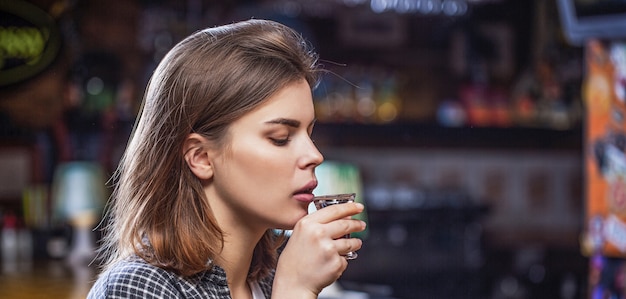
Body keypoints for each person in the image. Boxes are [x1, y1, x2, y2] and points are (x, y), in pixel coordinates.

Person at [87, 19, 366, 299]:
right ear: (201, 157)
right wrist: (294, 291)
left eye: (310, 133)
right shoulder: (138, 289)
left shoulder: (270, 282)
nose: (314, 156)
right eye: (280, 137)